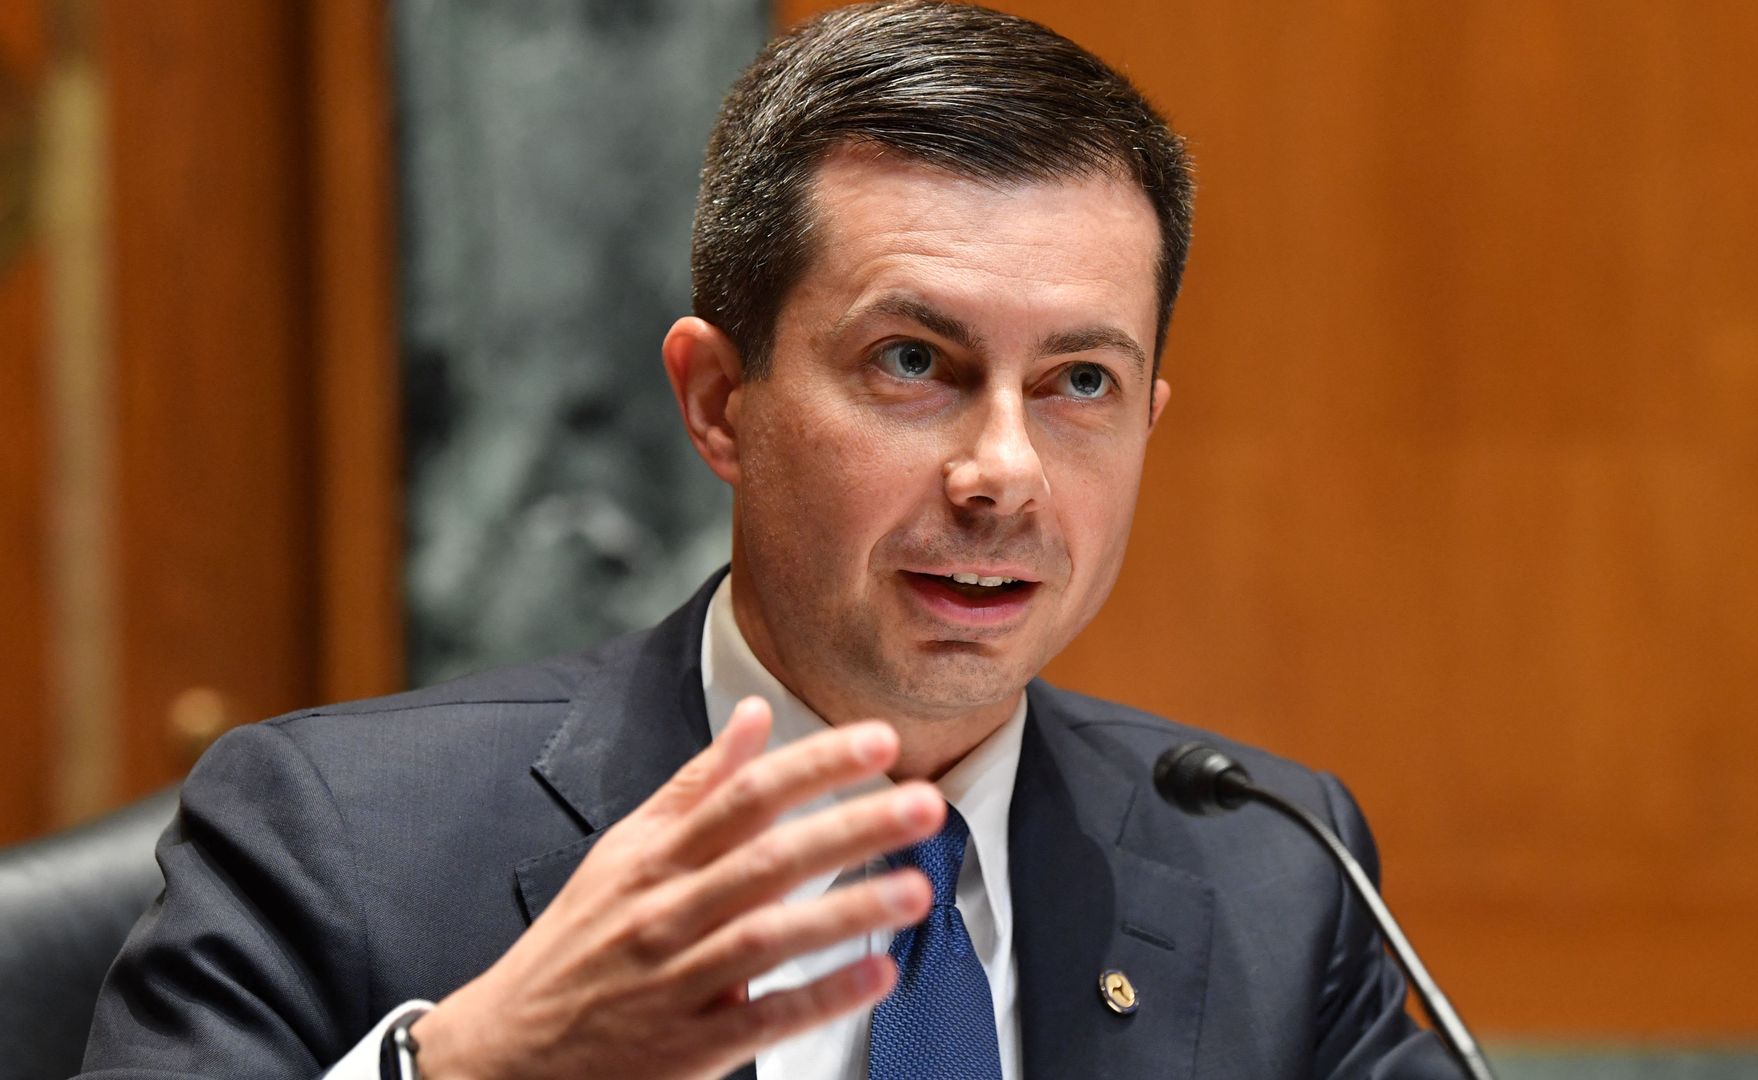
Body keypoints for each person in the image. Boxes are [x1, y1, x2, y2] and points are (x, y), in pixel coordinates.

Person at [82, 3, 1451, 1078]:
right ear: (719, 402)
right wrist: (468, 1070)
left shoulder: (1272, 867)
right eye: (913, 362)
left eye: (1079, 382)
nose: (1003, 472)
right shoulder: (340, 834)